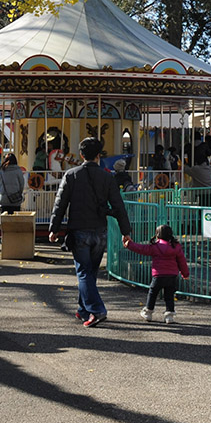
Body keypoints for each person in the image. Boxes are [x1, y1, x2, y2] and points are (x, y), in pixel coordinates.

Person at [48, 137, 132, 328]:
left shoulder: (71, 175)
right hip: (100, 231)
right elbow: (118, 205)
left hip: (79, 230)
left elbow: (60, 204)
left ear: (81, 155)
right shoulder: (107, 177)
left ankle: (96, 309)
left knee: (84, 272)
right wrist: (125, 230)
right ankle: (83, 309)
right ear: (98, 156)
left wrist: (54, 228)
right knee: (89, 273)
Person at [123, 224, 189, 324]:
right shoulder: (176, 247)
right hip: (172, 275)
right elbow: (182, 261)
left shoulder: (155, 247)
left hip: (158, 275)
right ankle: (169, 316)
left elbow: (141, 248)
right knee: (169, 295)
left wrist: (129, 244)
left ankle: (148, 312)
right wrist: (185, 274)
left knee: (152, 293)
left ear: (157, 234)